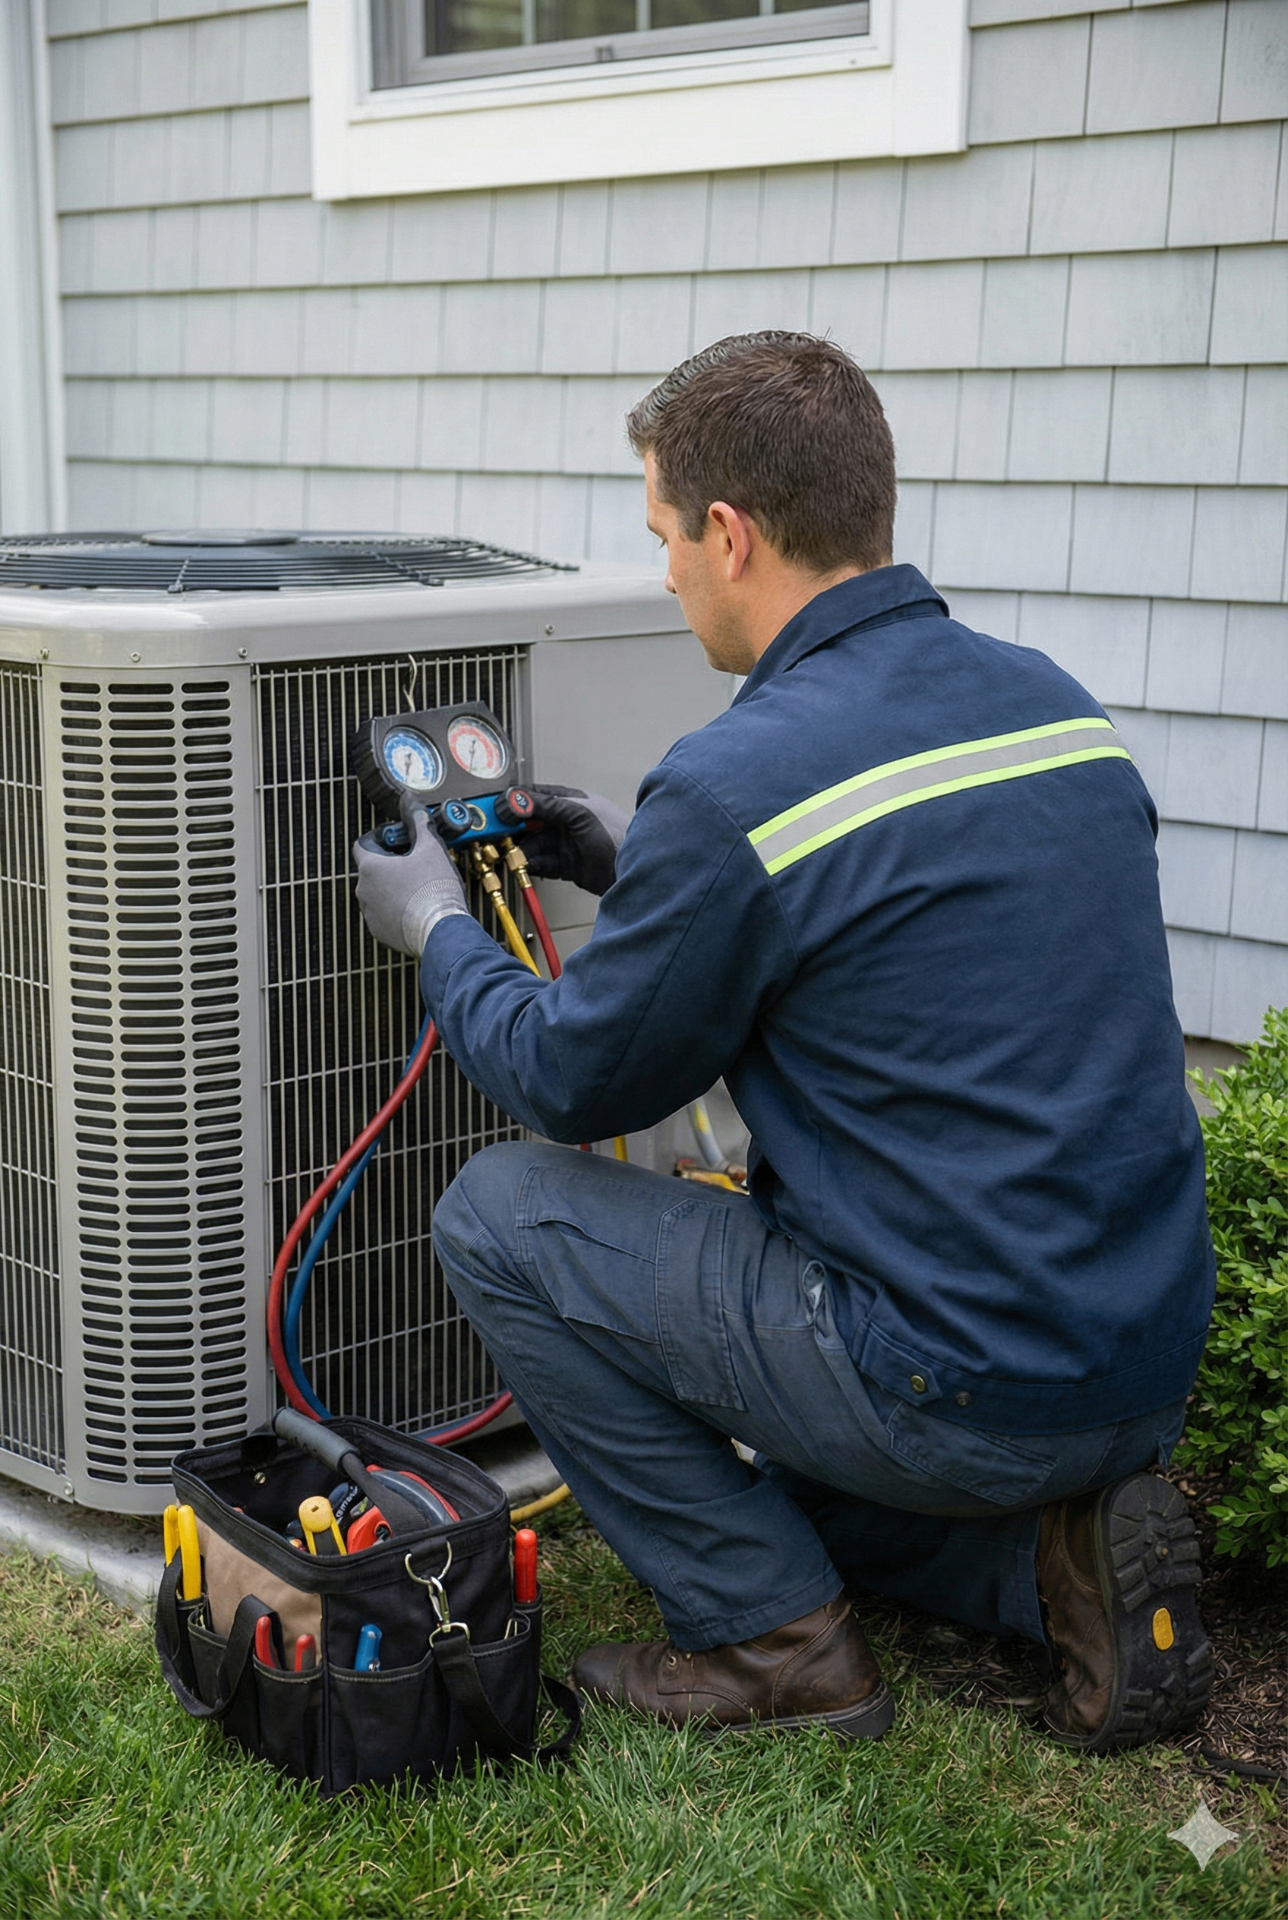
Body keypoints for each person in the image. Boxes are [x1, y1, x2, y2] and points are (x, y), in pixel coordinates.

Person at [354, 331, 1215, 1753]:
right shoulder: (1058, 708)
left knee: (498, 1213)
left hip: (954, 1376)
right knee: (777, 1474)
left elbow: (572, 1077)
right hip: (1128, 1345)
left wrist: (436, 925)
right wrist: (642, 872)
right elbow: (899, 956)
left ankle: (773, 1644)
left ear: (733, 535)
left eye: (666, 537)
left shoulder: (745, 776)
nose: (671, 572)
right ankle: (1050, 1575)